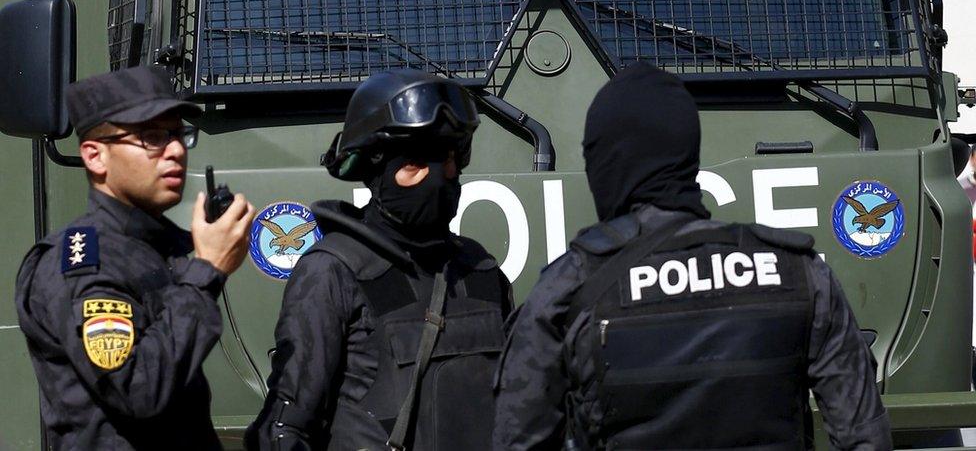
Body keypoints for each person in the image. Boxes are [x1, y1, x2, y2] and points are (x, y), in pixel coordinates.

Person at [493, 63, 891, 450]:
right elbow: (864, 436)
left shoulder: (569, 291)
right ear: (686, 154)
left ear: (608, 160)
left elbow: (518, 435)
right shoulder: (799, 274)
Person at [245, 69, 513, 450]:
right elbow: (287, 427)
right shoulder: (334, 271)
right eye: (415, 164)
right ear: (377, 172)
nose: (437, 177)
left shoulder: (480, 270)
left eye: (448, 160)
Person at [15, 65, 256, 450]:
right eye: (152, 137)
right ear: (95, 157)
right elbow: (138, 389)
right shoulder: (83, 262)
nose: (176, 150)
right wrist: (206, 271)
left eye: (178, 134)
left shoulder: (155, 248)